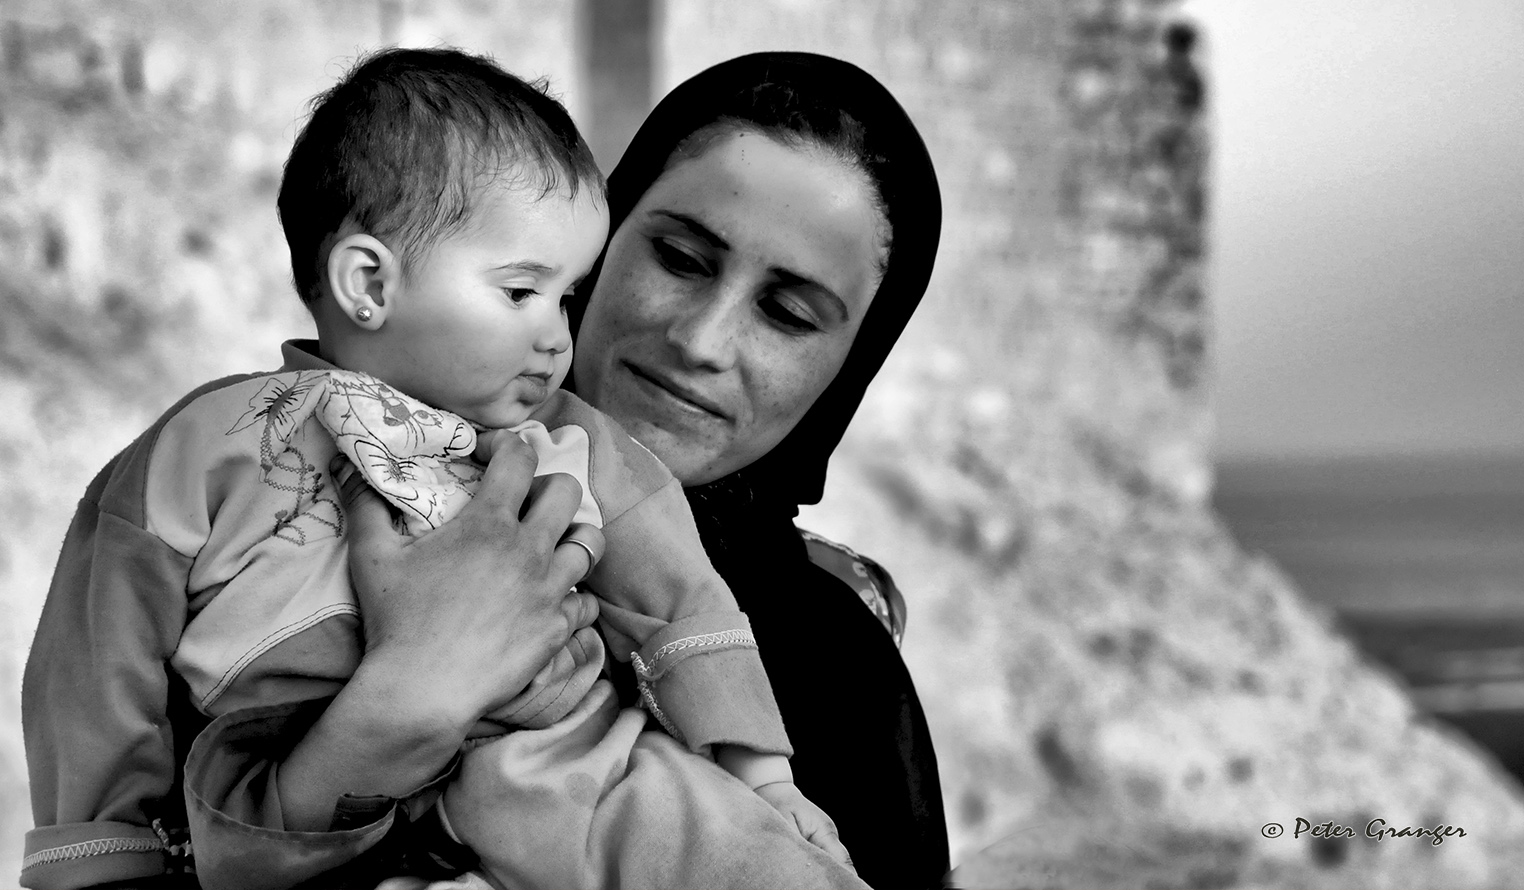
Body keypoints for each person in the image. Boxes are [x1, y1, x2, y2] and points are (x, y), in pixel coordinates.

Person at [22, 49, 948, 890]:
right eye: (677, 256)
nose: (699, 341)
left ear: (852, 366)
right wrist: (403, 699)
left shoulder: (839, 673)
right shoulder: (243, 498)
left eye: (789, 314)